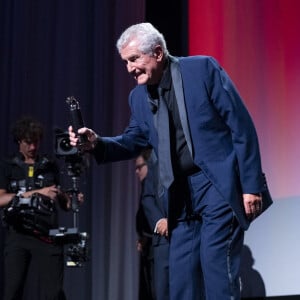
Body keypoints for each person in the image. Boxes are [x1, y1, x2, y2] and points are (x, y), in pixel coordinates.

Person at [69, 22, 273, 299]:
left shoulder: (201, 70)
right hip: (178, 193)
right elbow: (132, 141)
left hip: (216, 185)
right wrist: (96, 143)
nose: (129, 68)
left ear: (157, 52)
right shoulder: (138, 97)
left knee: (216, 269)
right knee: (181, 279)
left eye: (134, 59)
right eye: (125, 62)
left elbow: (241, 127)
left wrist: (251, 185)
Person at [0, 116, 83, 300]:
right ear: (19, 141)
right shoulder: (8, 166)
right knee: (12, 292)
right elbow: (1, 199)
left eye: (36, 142)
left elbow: (66, 205)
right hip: (18, 235)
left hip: (46, 234)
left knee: (53, 293)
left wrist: (69, 198)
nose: (32, 148)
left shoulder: (49, 165)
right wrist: (37, 192)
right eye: (28, 143)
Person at [135, 149, 169, 300]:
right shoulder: (153, 174)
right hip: (159, 243)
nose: (137, 172)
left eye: (139, 167)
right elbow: (147, 200)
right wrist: (159, 221)